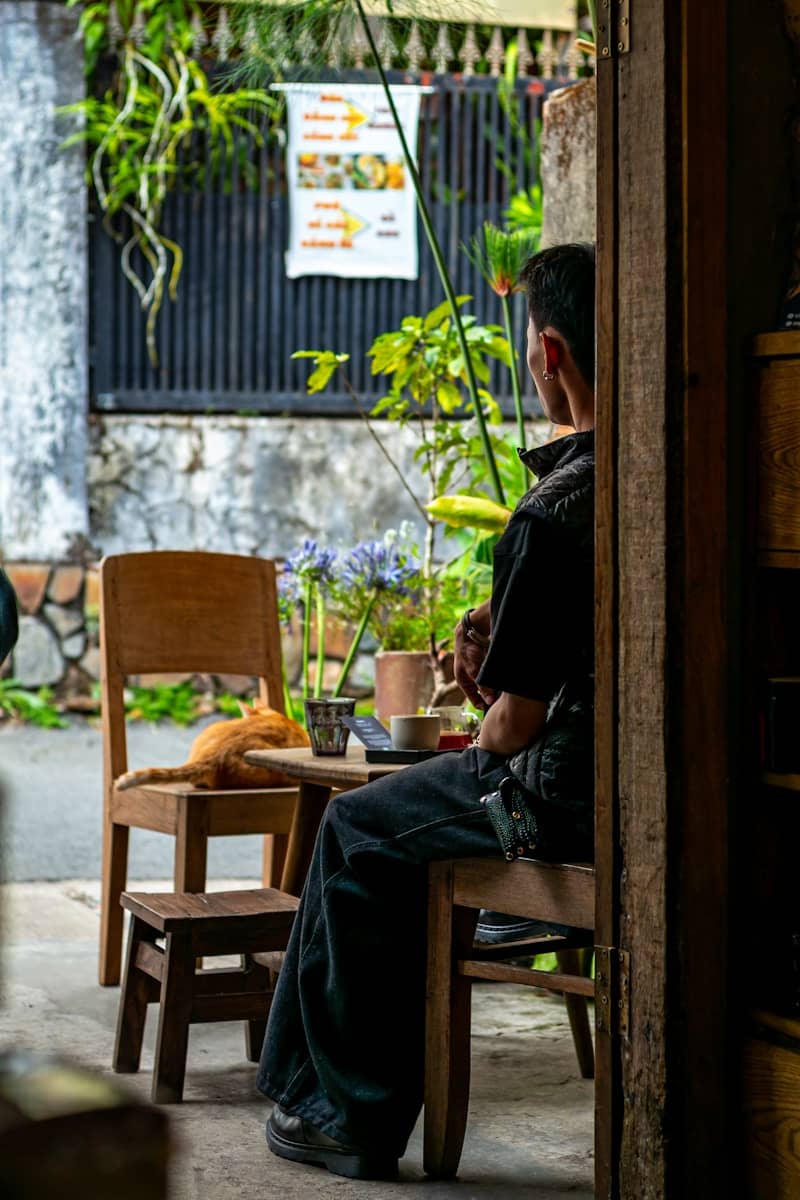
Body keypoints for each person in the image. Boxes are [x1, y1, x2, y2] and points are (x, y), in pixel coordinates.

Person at [258, 242, 596, 1180]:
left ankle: (348, 1117)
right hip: (613, 778)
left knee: (359, 826)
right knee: (385, 820)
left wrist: (479, 718)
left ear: (551, 353)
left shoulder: (555, 508)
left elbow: (514, 731)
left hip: (557, 799)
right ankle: (311, 1091)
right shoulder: (644, 478)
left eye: (532, 339)